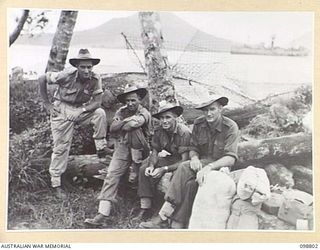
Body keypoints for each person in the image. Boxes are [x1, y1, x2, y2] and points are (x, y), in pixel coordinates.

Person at [139, 95, 240, 229]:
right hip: (201, 162)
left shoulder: (230, 126)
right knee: (191, 184)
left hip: (220, 166)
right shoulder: (199, 123)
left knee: (183, 168)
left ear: (220, 108)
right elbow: (193, 147)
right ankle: (176, 221)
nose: (208, 113)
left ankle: (165, 215)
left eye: (212, 109)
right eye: (205, 110)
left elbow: (230, 158)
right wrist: (194, 158)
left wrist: (209, 167)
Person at [39, 48, 113, 199]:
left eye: (89, 67)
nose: (86, 70)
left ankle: (101, 148)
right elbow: (41, 78)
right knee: (61, 147)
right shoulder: (65, 74)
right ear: (77, 67)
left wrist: (81, 110)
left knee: (99, 114)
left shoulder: (95, 78)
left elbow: (97, 102)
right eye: (83, 67)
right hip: (62, 108)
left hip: (79, 109)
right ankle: (56, 183)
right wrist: (47, 104)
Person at [84, 84, 151, 227]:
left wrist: (124, 122)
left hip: (141, 148)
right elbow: (113, 128)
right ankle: (102, 214)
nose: (130, 103)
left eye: (133, 100)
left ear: (139, 99)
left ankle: (145, 209)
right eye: (128, 101)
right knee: (111, 174)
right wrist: (126, 121)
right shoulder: (122, 111)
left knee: (140, 176)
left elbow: (133, 125)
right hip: (123, 147)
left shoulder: (144, 112)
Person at [133, 101, 191, 221]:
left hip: (185, 162)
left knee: (176, 176)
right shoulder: (159, 130)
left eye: (168, 117)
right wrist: (151, 165)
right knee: (144, 169)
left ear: (175, 118)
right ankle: (146, 207)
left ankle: (167, 212)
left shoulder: (184, 132)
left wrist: (164, 169)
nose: (164, 121)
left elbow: (184, 160)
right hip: (172, 158)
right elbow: (155, 151)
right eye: (162, 118)